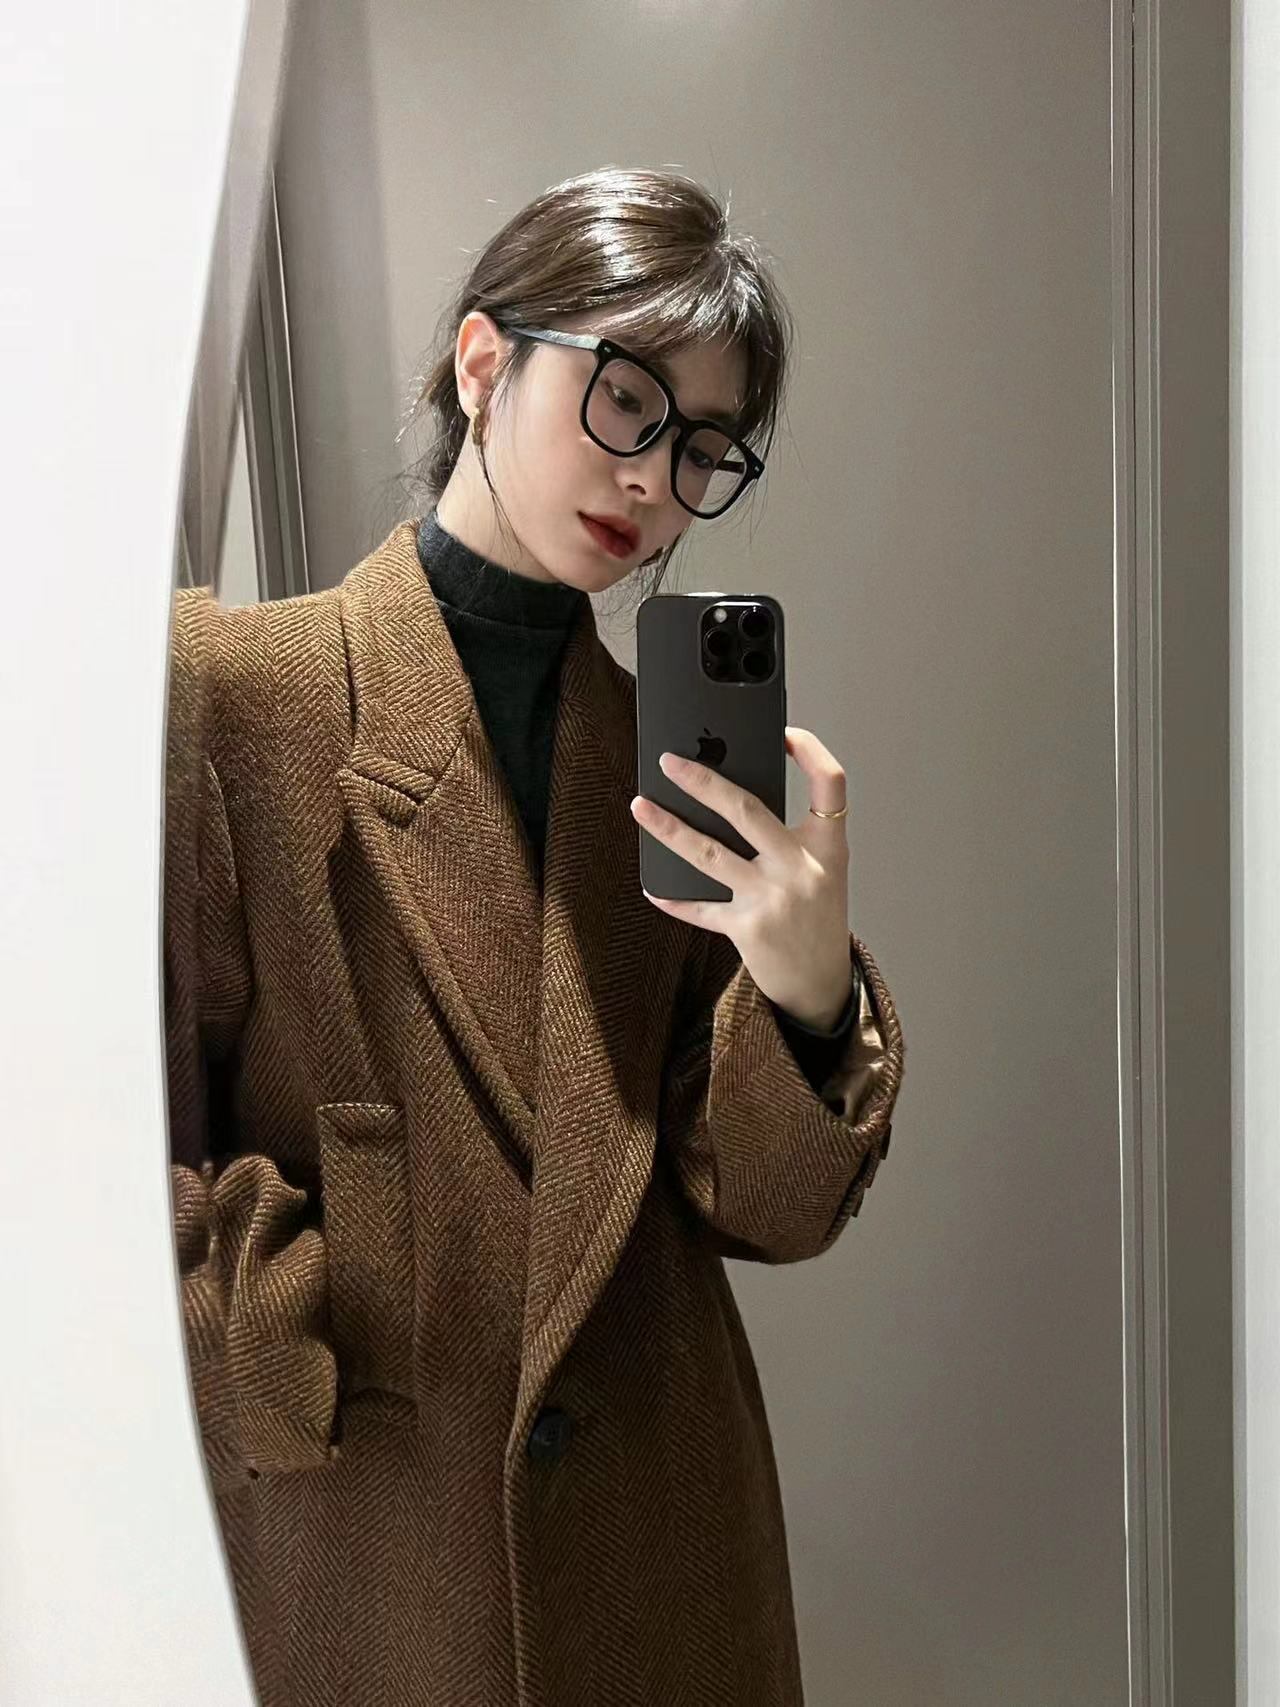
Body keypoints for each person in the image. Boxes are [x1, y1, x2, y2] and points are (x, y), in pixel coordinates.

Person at [165, 164, 904, 1707]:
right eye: (628, 399)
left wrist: (804, 996)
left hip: (659, 1546)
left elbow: (763, 1213)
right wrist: (294, 1335)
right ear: (483, 363)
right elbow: (95, 1152)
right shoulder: (235, 697)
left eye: (703, 448)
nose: (655, 480)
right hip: (381, 1542)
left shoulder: (659, 759)